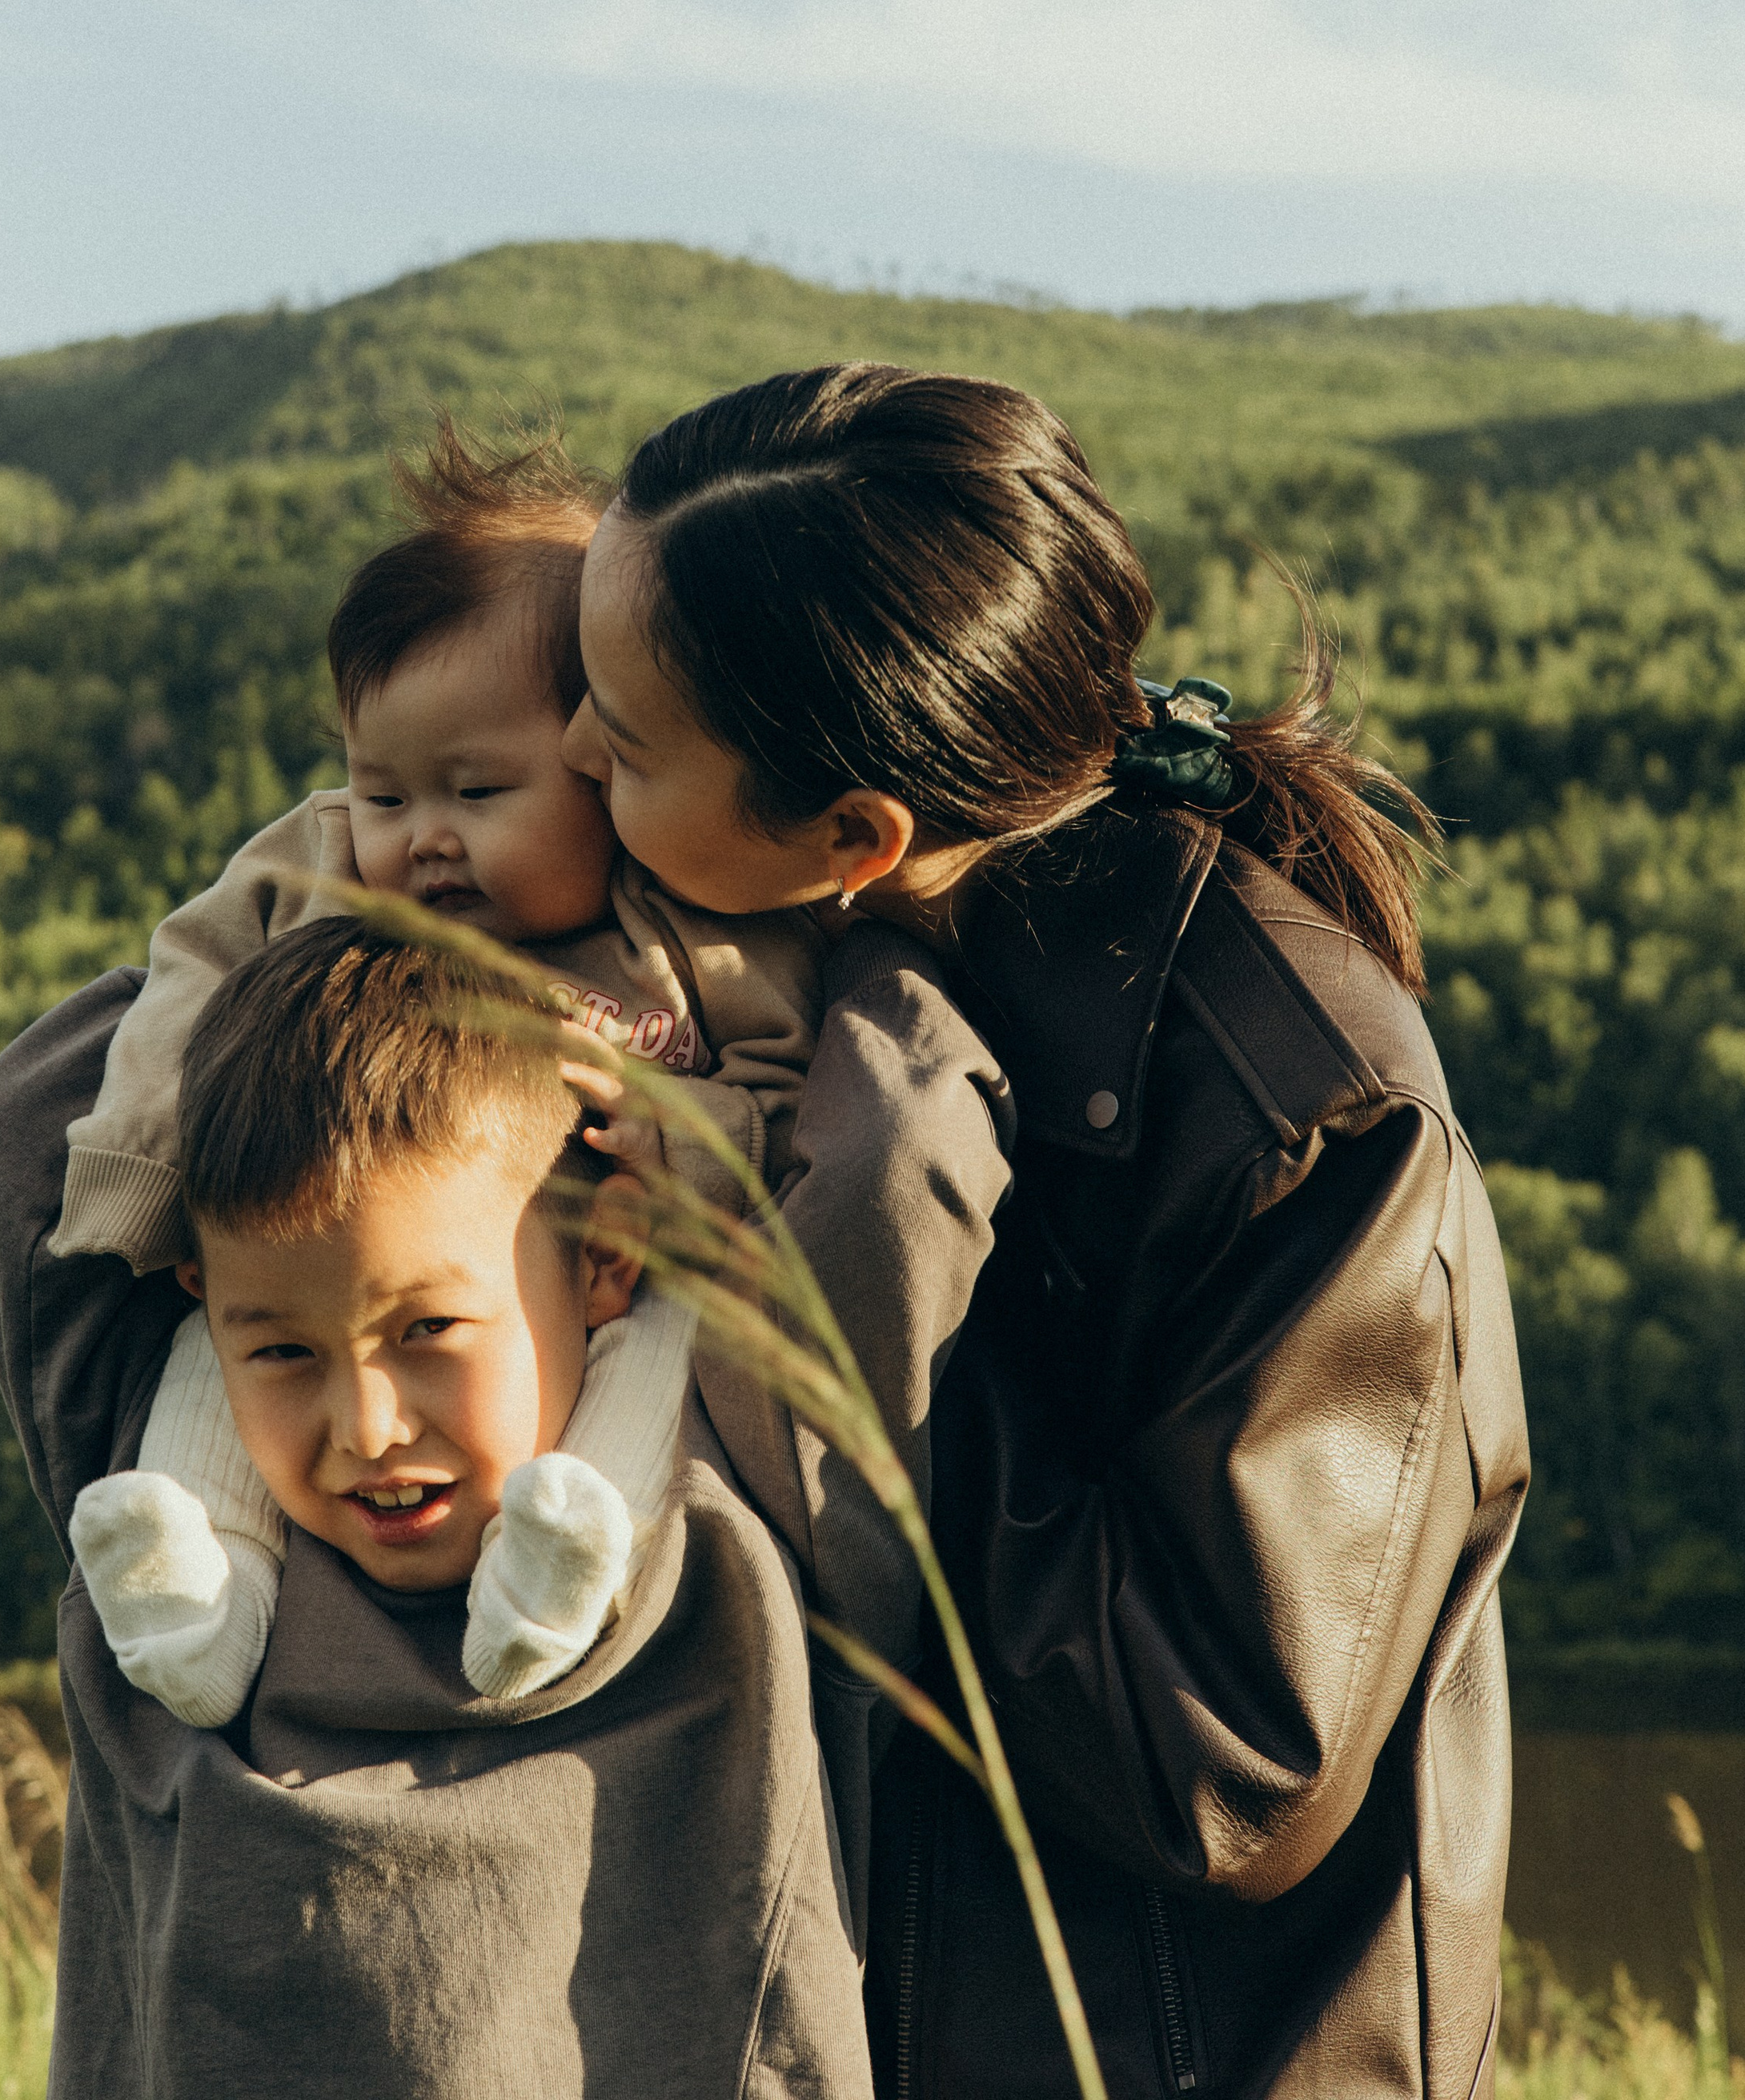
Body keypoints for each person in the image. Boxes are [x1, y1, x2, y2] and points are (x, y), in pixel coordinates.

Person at [560, 363, 1530, 2100]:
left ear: (856, 835)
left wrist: (798, 1306)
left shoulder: (1303, 1121)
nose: (568, 751)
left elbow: (1222, 1766)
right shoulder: (858, 962)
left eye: (623, 744)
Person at [0, 915, 882, 2100]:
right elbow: (4, 1130)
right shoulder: (161, 1571)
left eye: (429, 1330)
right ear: (202, 1311)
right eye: (280, 1352)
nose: (367, 1429)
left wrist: (572, 911)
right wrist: (356, 879)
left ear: (604, 1261)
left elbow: (895, 1158)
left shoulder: (734, 1511)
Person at [48, 425, 830, 1725]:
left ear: (600, 764)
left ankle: (564, 1555)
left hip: (615, 1266)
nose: (426, 842)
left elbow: (787, 1084)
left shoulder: (682, 924)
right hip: (329, 1231)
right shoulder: (324, 867)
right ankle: (199, 1580)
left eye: (477, 790)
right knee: (238, 1341)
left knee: (665, 1351)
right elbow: (192, 965)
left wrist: (688, 1139)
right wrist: (150, 1169)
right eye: (386, 796)